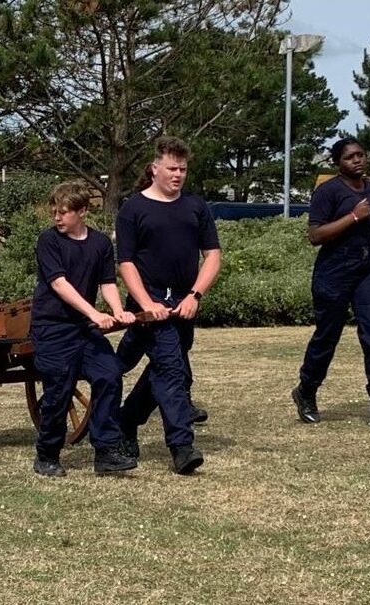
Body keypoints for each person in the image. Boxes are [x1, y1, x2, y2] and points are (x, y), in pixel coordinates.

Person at [115, 136, 221, 474]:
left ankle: (127, 420)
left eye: (183, 169)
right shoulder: (134, 209)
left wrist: (195, 296)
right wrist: (147, 303)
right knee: (173, 371)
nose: (178, 175)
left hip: (184, 303)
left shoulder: (196, 207)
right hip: (149, 305)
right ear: (155, 168)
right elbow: (126, 263)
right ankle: (182, 446)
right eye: (172, 168)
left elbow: (213, 256)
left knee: (165, 368)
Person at [291, 138, 370, 429]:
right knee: (328, 336)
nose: (357, 160)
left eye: (360, 155)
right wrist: (353, 217)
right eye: (349, 157)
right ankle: (306, 391)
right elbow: (315, 236)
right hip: (335, 270)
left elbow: (369, 225)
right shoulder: (327, 192)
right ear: (337, 163)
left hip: (368, 268)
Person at [30, 181, 138, 477]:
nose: (56, 217)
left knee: (109, 373)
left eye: (63, 212)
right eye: (54, 211)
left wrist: (118, 311)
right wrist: (94, 312)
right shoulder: (48, 241)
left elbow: (107, 283)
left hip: (83, 329)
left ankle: (106, 451)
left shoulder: (100, 243)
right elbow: (59, 284)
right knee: (59, 392)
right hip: (52, 329)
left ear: (82, 211)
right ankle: (47, 455)